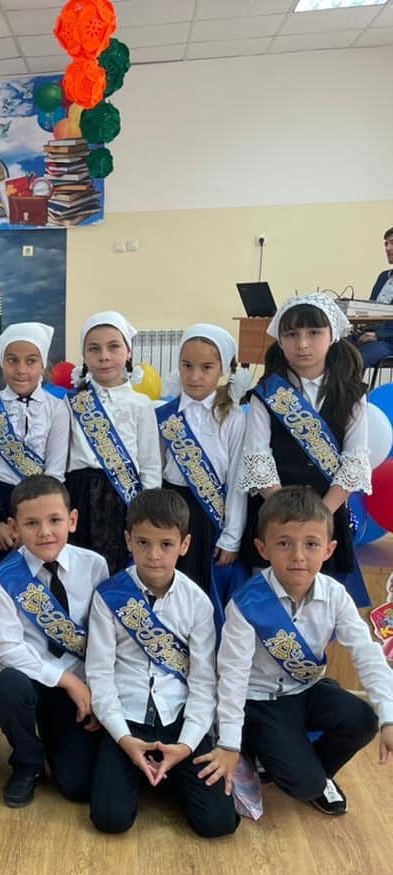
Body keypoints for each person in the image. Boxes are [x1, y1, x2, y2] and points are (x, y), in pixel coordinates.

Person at [205, 487, 393, 816]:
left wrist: (389, 718)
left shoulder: (335, 595)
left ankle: (313, 771)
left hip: (307, 688)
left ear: (329, 549)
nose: (298, 556)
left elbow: (367, 653)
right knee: (304, 786)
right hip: (261, 701)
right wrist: (229, 744)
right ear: (262, 548)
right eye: (284, 543)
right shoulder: (247, 603)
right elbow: (232, 677)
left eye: (311, 544)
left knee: (364, 719)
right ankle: (263, 751)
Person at [86, 489, 239, 838]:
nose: (154, 555)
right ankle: (145, 770)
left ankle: (165, 772)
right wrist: (124, 738)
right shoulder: (109, 597)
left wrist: (185, 746)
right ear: (128, 540)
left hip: (178, 719)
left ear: (184, 545)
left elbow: (203, 682)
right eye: (143, 542)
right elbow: (100, 674)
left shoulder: (197, 603)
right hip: (127, 718)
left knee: (218, 823)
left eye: (166, 544)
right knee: (109, 820)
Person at [0, 476, 108, 808]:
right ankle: (27, 763)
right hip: (34, 681)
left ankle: (57, 742)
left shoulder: (94, 566)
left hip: (79, 686)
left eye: (55, 520)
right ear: (14, 527)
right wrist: (66, 680)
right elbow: (5, 650)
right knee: (6, 685)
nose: (45, 532)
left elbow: (105, 638)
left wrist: (97, 693)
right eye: (31, 523)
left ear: (72, 519)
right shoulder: (4, 578)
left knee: (79, 787)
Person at [238, 293, 370, 581]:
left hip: (327, 513)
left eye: (314, 333)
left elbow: (354, 461)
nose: (302, 343)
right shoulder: (265, 393)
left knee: (324, 593)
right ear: (280, 340)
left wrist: (320, 514)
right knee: (269, 591)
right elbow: (258, 458)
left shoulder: (353, 394)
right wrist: (285, 514)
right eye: (292, 334)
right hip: (275, 513)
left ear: (332, 335)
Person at [157, 324, 250, 622]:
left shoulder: (233, 417)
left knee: (201, 589)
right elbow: (154, 469)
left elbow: (237, 479)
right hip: (171, 510)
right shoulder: (164, 414)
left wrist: (231, 536)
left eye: (206, 367)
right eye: (187, 366)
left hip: (210, 514)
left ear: (223, 370)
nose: (195, 376)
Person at [0, 322, 69, 581]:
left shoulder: (57, 408)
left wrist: (37, 522)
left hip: (41, 505)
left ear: (43, 365)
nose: (21, 369)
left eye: (31, 361)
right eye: (12, 360)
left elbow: (55, 472)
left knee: (39, 580)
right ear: (2, 363)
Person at [67, 311, 161, 575]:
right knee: (79, 568)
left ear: (128, 352)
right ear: (84, 355)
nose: (104, 356)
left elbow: (150, 463)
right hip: (79, 495)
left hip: (123, 497)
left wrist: (146, 510)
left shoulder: (141, 404)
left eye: (114, 347)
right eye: (94, 349)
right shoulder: (72, 402)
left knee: (119, 569)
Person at [354, 226, 393, 366]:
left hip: (388, 341)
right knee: (335, 348)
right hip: (370, 334)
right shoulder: (383, 277)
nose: (387, 248)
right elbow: (371, 310)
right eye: (386, 244)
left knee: (355, 359)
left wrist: (378, 335)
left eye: (392, 243)